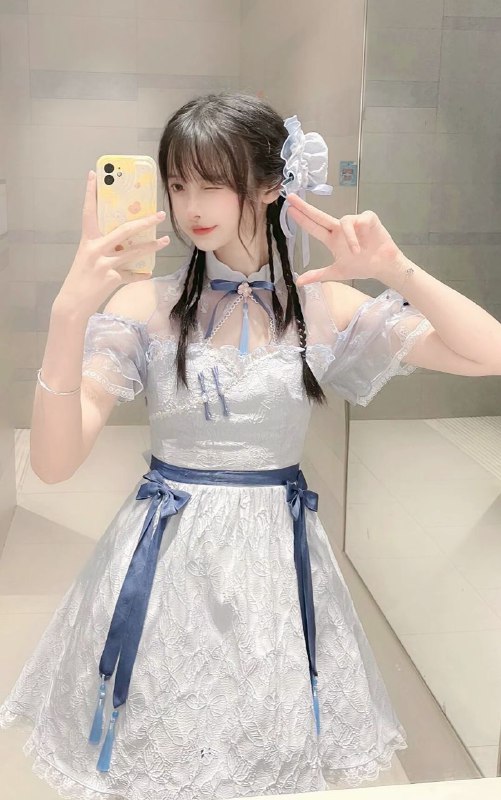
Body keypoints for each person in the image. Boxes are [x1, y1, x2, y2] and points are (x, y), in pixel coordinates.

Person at [0, 90, 437, 799]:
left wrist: (396, 271)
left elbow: (488, 353)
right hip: (165, 556)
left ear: (269, 186)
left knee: (265, 750)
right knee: (158, 744)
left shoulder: (321, 306)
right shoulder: (143, 305)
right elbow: (52, 464)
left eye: (211, 184)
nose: (189, 206)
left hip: (274, 562)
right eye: (177, 185)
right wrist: (68, 312)